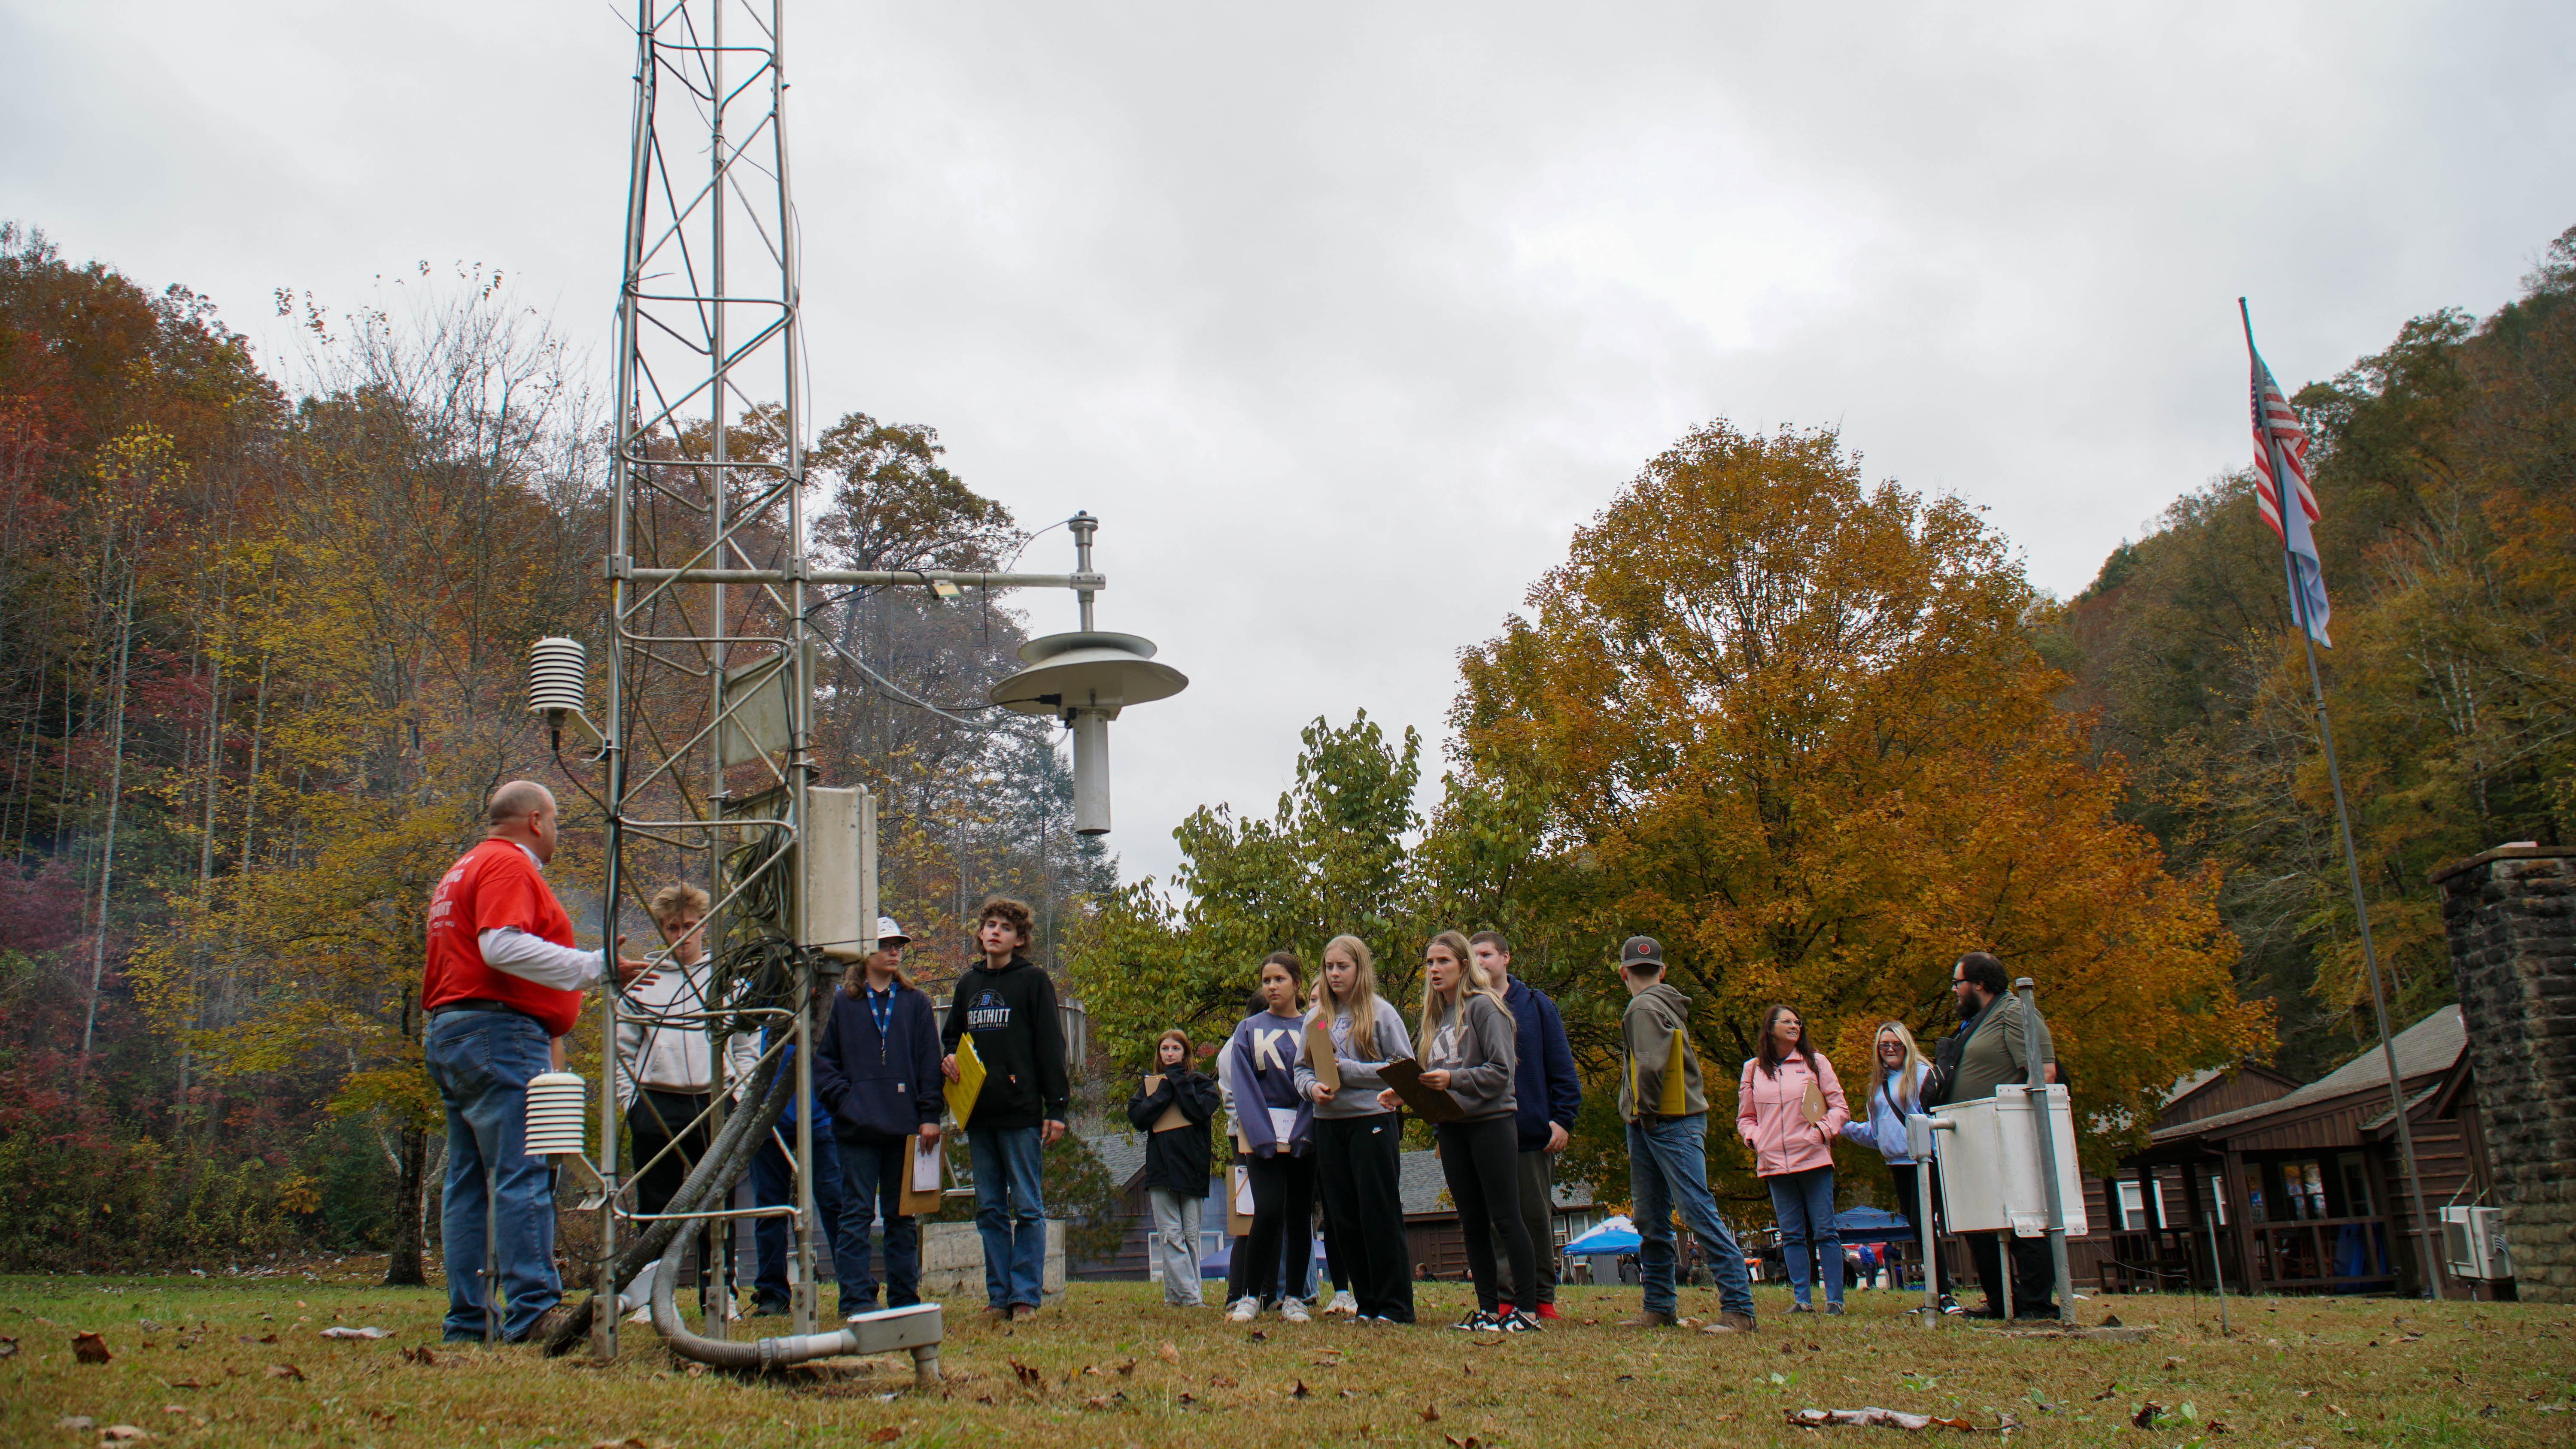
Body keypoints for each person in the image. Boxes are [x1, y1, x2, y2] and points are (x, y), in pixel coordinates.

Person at [421, 781, 653, 1343]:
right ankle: (532, 1312)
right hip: (498, 1033)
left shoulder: (463, 868)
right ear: (534, 821)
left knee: (468, 1181)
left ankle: (468, 1321)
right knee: (523, 1171)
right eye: (556, 821)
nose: (557, 832)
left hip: (455, 1030)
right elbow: (500, 945)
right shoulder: (508, 864)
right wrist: (596, 966)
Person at [1379, 930, 1536, 1333]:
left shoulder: (1485, 1007)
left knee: (1506, 1217)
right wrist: (1406, 1093)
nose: (1434, 969)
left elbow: (1501, 1073)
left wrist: (1453, 1079)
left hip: (1491, 1123)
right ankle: (1488, 1311)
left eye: (1443, 961)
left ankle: (1527, 1311)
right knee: (1471, 1221)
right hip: (1450, 1126)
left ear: (1464, 966)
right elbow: (1436, 1076)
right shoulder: (1436, 1017)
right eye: (1430, 963)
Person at [614, 883, 756, 1322]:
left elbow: (747, 1043)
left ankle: (720, 1293)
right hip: (656, 1102)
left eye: (691, 926)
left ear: (704, 926)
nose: (683, 935)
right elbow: (623, 1050)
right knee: (654, 1205)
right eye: (673, 928)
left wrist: (740, 1096)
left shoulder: (727, 978)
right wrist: (632, 1104)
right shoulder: (644, 979)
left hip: (715, 1100)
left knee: (716, 1202)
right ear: (662, 929)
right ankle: (651, 1296)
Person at [1609, 936, 1756, 1334]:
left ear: (1623, 973)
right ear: (1663, 971)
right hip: (1668, 1119)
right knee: (1652, 1217)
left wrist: (1646, 1113)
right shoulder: (1667, 1003)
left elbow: (1649, 1068)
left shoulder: (1642, 1007)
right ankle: (1658, 1308)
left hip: (1661, 1121)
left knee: (1692, 1211)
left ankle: (1739, 1310)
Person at [940, 896, 1069, 1321]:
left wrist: (1057, 1108)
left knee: (1028, 1208)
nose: (996, 932)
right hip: (978, 1114)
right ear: (980, 934)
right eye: (991, 925)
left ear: (1020, 939)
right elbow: (951, 1037)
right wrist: (949, 1057)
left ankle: (1025, 1297)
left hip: (1021, 1112)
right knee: (990, 1209)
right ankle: (999, 1298)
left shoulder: (1033, 981)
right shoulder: (968, 984)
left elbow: (1051, 1046)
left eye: (1006, 927)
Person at [813, 916, 942, 1319]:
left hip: (906, 1129)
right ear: (865, 951)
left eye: (898, 945)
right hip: (857, 1130)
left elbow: (930, 1063)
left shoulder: (916, 1002)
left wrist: (930, 1115)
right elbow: (823, 1064)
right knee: (855, 1215)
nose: (894, 951)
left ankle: (905, 1300)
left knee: (902, 1215)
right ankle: (855, 1299)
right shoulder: (841, 1003)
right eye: (885, 944)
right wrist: (848, 1102)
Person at [1294, 934, 1417, 1325]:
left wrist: (1350, 1072)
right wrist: (1312, 1089)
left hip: (1372, 1121)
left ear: (1360, 968)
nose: (1334, 974)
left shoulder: (1381, 1013)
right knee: (1344, 1219)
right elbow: (1301, 1069)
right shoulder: (1316, 1019)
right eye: (1329, 967)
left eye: (1342, 967)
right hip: (1329, 1125)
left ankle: (1395, 1307)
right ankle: (1367, 1305)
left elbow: (1405, 1069)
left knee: (1378, 1213)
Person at [1937, 951, 2059, 1319]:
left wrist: (2015, 1122)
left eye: (1958, 982)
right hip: (1974, 1138)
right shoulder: (1978, 1021)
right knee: (1979, 1221)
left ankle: (2036, 1305)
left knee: (2023, 1224)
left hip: (2008, 1137)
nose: (1954, 990)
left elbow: (2044, 1073)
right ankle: (2002, 1302)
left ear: (1979, 984)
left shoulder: (2015, 1013)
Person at [1467, 931, 1581, 1323]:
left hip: (1531, 1131)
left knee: (1534, 1218)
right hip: (1482, 1130)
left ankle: (1542, 1299)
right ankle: (1504, 1298)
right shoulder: (1466, 1008)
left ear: (1506, 958)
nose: (1481, 961)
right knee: (1495, 1220)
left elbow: (1561, 1065)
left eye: (1486, 954)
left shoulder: (1534, 1004)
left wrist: (1563, 1118)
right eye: (1474, 956)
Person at [1222, 951, 1319, 1322]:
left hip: (1304, 1134)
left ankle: (1294, 1297)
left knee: (1299, 1214)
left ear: (1297, 983)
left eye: (1280, 979)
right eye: (1266, 981)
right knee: (1266, 1210)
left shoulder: (1315, 1026)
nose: (1272, 987)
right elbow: (1244, 1085)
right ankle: (1250, 1296)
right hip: (1262, 1137)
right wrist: (1261, 1134)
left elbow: (1322, 1079)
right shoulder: (1248, 1029)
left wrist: (1305, 1130)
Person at [1737, 1003, 1850, 1315]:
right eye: (1787, 1021)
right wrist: (1756, 1140)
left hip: (1814, 1159)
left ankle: (1835, 1300)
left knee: (1825, 1230)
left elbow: (1840, 1108)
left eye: (1798, 1022)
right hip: (1774, 1163)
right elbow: (1745, 1118)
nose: (1794, 1026)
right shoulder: (1753, 1069)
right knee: (1790, 1234)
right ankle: (1803, 1300)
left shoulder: (1816, 1062)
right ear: (1770, 1028)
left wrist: (1821, 1133)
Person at [1841, 1019, 1953, 1309]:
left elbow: (1935, 1116)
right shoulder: (1878, 1086)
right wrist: (1842, 1127)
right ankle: (1936, 1295)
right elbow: (1876, 1135)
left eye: (1896, 1044)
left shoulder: (1922, 1074)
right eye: (1884, 1045)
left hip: (1924, 1160)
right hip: (1897, 1164)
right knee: (1917, 1227)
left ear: (1907, 1046)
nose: (1890, 1049)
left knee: (1924, 1224)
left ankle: (1944, 1294)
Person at [747, 1020, 846, 1317]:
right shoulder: (758, 1002)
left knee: (835, 1201)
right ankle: (772, 1294)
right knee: (769, 1207)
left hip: (820, 1113)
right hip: (766, 1117)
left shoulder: (828, 1002)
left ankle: (855, 1287)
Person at [1126, 1028, 1221, 1307]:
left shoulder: (1202, 1084)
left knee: (1190, 1236)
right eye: (1165, 1049)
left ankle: (1182, 1297)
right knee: (1170, 1235)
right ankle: (1189, 1298)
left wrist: (1178, 1081)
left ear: (1186, 1053)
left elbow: (1200, 1110)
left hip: (1193, 1169)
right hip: (1162, 1170)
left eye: (1176, 1049)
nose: (1170, 1054)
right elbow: (1139, 1118)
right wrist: (1163, 1090)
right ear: (1159, 1054)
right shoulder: (1150, 1086)